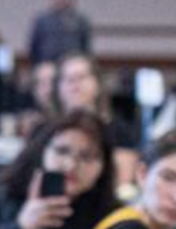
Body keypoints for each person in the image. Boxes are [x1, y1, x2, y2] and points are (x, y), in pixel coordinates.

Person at [53, 52, 139, 193]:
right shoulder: (46, 130)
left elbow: (123, 182)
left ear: (97, 84)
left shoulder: (118, 130)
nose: (74, 85)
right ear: (58, 88)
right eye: (67, 79)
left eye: (81, 77)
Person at [28, 0, 92, 65]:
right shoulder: (41, 20)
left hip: (72, 69)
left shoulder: (81, 20)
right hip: (47, 69)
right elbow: (33, 49)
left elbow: (85, 49)